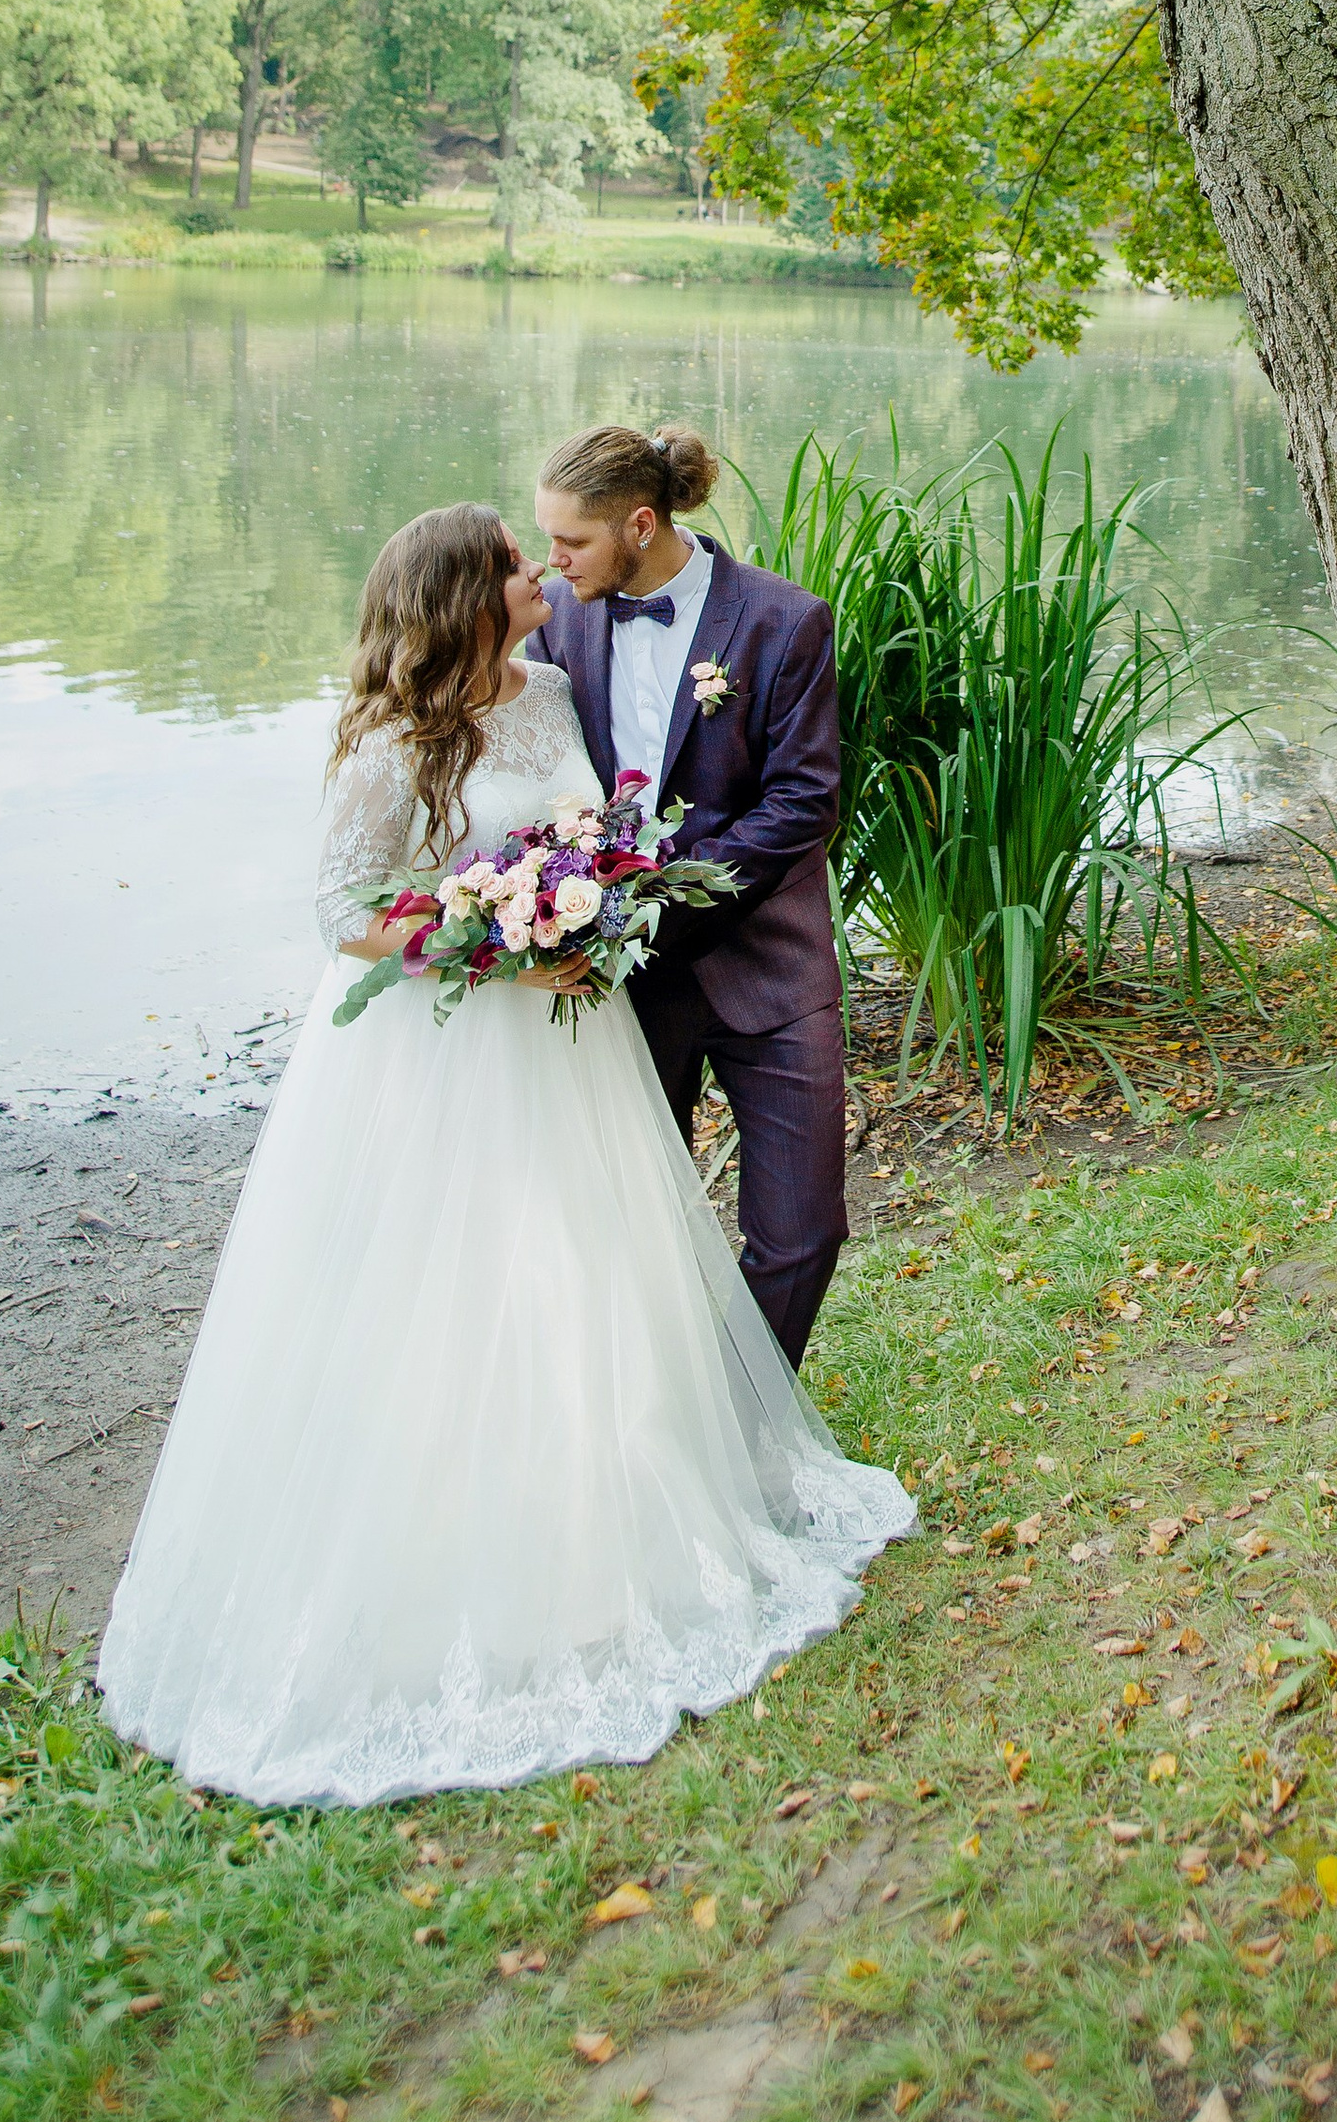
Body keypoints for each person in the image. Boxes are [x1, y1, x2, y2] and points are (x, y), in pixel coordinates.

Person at [96, 503, 909, 1807]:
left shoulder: (547, 690)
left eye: (550, 555)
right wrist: (489, 947)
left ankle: (618, 1509)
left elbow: (599, 825)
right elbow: (343, 911)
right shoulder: (386, 741)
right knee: (445, 1286)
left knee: (585, 1269)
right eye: (520, 566)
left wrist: (575, 916)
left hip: (567, 1052)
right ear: (468, 601)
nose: (544, 575)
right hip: (446, 1051)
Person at [527, 424, 849, 1370]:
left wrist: (663, 906)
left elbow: (803, 803)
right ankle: (656, 1429)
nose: (552, 561)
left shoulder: (783, 622)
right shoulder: (552, 614)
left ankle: (746, 1416)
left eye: (570, 542)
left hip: (769, 969)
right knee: (625, 1222)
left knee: (801, 1234)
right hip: (617, 982)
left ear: (639, 524)